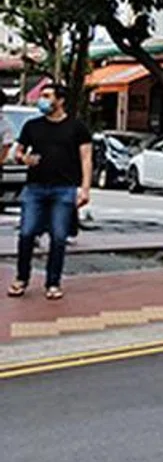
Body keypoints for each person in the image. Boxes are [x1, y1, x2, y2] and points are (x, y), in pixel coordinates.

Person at [6, 85, 92, 301]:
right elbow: (18, 152)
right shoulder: (32, 126)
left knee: (59, 236)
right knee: (26, 233)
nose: (41, 101)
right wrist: (23, 158)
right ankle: (21, 278)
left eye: (47, 96)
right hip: (35, 188)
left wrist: (85, 188)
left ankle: (53, 282)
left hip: (64, 189)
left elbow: (86, 159)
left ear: (60, 101)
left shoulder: (77, 127)